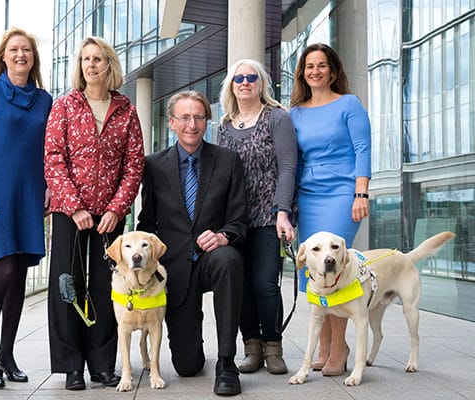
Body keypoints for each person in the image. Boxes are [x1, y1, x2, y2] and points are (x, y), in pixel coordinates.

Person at [44, 36, 144, 391]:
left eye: (98, 59)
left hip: (109, 217)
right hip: (69, 212)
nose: (91, 65)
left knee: (107, 287)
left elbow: (133, 165)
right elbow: (54, 159)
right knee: (68, 285)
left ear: (109, 65)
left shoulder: (126, 109)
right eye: (86, 59)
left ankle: (102, 365)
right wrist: (74, 207)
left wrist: (117, 209)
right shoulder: (65, 106)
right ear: (80, 65)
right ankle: (72, 365)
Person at [137, 90, 249, 396]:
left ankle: (227, 362)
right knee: (187, 366)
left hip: (212, 258)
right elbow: (146, 224)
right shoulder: (154, 166)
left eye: (199, 117)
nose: (192, 124)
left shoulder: (228, 161)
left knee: (228, 260)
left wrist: (223, 236)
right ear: (172, 122)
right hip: (173, 267)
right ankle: (193, 340)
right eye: (184, 117)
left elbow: (239, 220)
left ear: (207, 121)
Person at [0, 27, 52, 388]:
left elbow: (49, 152)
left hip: (32, 195)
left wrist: (50, 188)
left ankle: (7, 353)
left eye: (27, 50)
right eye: (14, 50)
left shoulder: (46, 100)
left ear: (33, 58)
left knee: (19, 275)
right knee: (2, 272)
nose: (21, 55)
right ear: (3, 56)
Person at [290, 43, 371, 377]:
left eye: (322, 65)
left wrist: (361, 192)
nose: (316, 71)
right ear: (302, 73)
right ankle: (324, 347)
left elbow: (363, 147)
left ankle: (338, 348)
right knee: (313, 272)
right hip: (307, 196)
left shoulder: (349, 104)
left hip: (342, 193)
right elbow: (292, 160)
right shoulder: (295, 112)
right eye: (309, 66)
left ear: (333, 71)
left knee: (335, 269)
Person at [217, 59, 297, 375]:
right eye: (240, 78)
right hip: (235, 219)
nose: (246, 82)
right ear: (232, 85)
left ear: (261, 83)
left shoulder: (277, 118)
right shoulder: (224, 125)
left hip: (269, 215)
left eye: (252, 77)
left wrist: (283, 211)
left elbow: (288, 166)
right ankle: (251, 346)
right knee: (241, 286)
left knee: (265, 283)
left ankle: (273, 346)